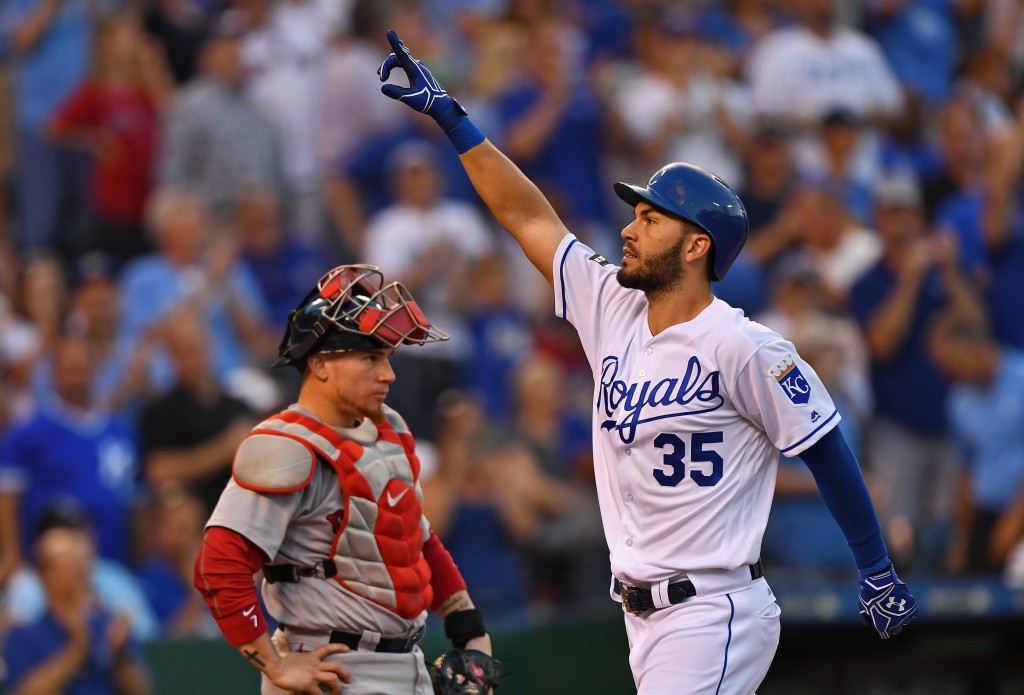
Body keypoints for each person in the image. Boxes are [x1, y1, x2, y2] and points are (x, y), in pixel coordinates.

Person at [377, 30, 918, 693]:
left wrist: (875, 567)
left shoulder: (743, 343)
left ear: (696, 247)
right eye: (634, 214)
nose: (629, 228)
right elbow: (528, 217)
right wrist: (453, 119)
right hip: (644, 615)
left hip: (714, 606)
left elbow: (826, 444)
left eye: (650, 219)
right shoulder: (610, 304)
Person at [193, 264, 500, 695]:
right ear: (320, 364)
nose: (388, 374)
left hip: (407, 664)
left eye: (387, 359)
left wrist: (467, 625)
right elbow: (218, 565)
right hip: (332, 670)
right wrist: (276, 665)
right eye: (370, 358)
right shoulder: (287, 445)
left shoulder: (388, 428)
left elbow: (414, 539)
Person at [2, 513, 152, 695]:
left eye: (81, 564)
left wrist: (120, 656)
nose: (77, 574)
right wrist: (76, 650)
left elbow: (142, 690)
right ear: (44, 573)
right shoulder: (23, 635)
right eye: (66, 566)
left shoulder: (110, 627)